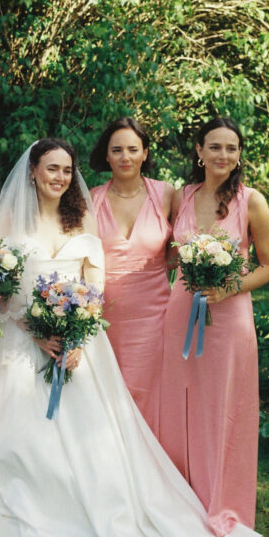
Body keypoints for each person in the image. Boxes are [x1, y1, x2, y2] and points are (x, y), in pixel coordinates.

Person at [0, 138, 261, 537]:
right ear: (32, 172)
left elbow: (96, 282)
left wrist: (74, 333)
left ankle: (104, 515)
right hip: (23, 342)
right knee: (18, 440)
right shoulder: (9, 222)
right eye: (51, 169)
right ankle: (31, 514)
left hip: (80, 342)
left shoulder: (82, 218)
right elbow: (6, 289)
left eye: (67, 170)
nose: (60, 177)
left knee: (98, 438)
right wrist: (38, 331)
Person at [159, 116, 269, 537]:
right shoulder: (182, 196)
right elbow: (169, 256)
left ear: (239, 153)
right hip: (181, 311)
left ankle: (223, 500)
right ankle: (181, 495)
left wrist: (229, 289)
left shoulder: (253, 201)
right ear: (199, 151)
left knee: (225, 405)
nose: (223, 155)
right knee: (180, 402)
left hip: (229, 316)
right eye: (215, 147)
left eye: (231, 147)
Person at [90, 118, 174, 437]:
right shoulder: (91, 198)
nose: (125, 156)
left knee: (149, 393)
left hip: (156, 315)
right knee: (106, 395)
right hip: (102, 314)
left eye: (132, 149)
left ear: (145, 154)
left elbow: (182, 245)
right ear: (107, 157)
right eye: (117, 150)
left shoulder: (167, 195)